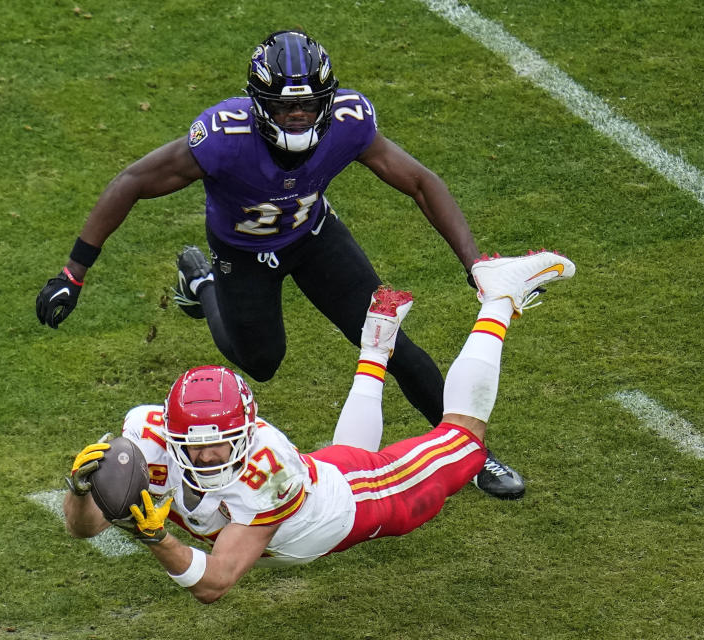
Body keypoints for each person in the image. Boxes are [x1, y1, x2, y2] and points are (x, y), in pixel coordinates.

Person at [37, 29, 521, 498]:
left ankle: (472, 456)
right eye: (283, 105)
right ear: (258, 103)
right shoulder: (224, 136)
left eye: (307, 104)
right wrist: (73, 273)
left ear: (326, 101)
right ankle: (203, 282)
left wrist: (474, 262)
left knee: (393, 346)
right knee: (262, 362)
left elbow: (418, 181)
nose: (295, 115)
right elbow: (133, 181)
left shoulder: (350, 122)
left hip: (313, 236)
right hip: (241, 254)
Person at [63, 250, 576, 603]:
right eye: (193, 449)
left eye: (220, 447)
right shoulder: (145, 438)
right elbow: (83, 528)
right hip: (319, 483)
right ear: (168, 436)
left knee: (462, 443)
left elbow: (215, 582)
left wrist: (156, 538)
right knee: (345, 452)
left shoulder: (268, 472)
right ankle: (376, 345)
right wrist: (82, 491)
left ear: (246, 435)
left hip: (356, 500)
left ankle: (499, 296)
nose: (206, 460)